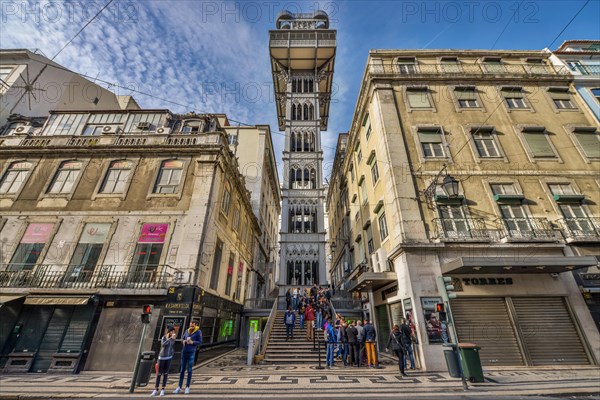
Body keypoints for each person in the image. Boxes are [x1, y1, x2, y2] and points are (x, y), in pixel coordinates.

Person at [173, 320, 202, 394]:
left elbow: (200, 342)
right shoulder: (186, 331)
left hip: (191, 352)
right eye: (190, 325)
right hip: (184, 352)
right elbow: (182, 338)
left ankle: (187, 387)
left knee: (189, 370)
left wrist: (193, 342)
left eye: (192, 325)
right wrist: (183, 341)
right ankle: (179, 386)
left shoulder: (198, 332)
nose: (191, 326)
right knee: (182, 370)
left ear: (196, 325)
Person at [152, 325, 176, 396]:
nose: (173, 333)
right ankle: (156, 389)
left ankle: (163, 389)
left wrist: (172, 353)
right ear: (169, 332)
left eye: (173, 331)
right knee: (159, 374)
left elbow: (172, 347)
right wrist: (170, 338)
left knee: (166, 374)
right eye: (172, 331)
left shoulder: (173, 339)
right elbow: (163, 344)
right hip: (162, 357)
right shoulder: (164, 338)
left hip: (169, 358)